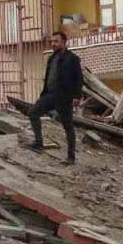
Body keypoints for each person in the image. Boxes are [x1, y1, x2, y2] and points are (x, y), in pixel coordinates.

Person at [26, 31, 83, 165]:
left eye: (56, 41)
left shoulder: (72, 58)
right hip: (49, 95)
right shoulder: (52, 58)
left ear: (64, 42)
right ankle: (38, 143)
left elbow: (79, 79)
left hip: (64, 98)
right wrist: (44, 93)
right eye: (52, 41)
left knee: (68, 126)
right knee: (33, 113)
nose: (53, 44)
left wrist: (77, 96)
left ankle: (71, 157)